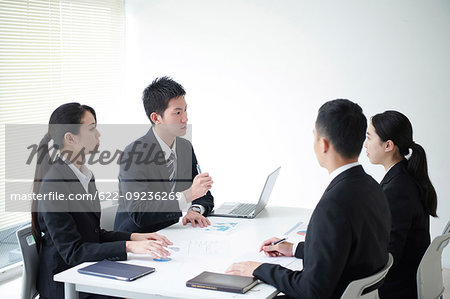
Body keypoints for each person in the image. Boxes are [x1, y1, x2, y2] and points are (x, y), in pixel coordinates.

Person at [226, 99, 391, 299]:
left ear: (323, 144)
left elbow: (312, 290)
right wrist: (295, 249)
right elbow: (345, 249)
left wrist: (260, 269)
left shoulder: (333, 205)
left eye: (314, 136)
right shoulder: (372, 187)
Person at [32, 103, 172, 299]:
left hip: (86, 273)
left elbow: (92, 234)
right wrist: (128, 247)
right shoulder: (54, 185)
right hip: (65, 284)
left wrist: (134, 237)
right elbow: (73, 252)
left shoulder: (84, 175)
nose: (98, 134)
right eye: (91, 128)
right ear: (70, 138)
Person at [114, 77, 214, 233]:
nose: (185, 118)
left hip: (171, 232)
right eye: (177, 112)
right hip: (137, 238)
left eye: (185, 110)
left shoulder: (184, 147)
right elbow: (140, 213)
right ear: (156, 118)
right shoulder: (134, 154)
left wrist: (195, 209)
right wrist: (188, 195)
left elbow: (202, 193)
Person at [364, 110, 438, 299]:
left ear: (388, 145)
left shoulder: (397, 189)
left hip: (397, 289)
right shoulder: (404, 175)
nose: (365, 144)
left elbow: (388, 257)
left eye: (369, 137)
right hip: (408, 279)